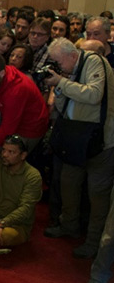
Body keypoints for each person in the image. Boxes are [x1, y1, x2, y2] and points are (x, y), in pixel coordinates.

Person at [42, 38, 114, 260]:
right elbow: (63, 106)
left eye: (58, 62)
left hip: (99, 142)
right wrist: (59, 86)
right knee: (68, 184)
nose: (57, 67)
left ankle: (94, 243)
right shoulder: (70, 70)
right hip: (75, 139)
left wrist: (62, 83)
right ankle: (69, 225)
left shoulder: (94, 61)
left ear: (72, 56)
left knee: (97, 194)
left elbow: (94, 95)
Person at [0, 135, 42, 248]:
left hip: (14, 224)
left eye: (11, 152)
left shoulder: (33, 176)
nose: (4, 155)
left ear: (23, 155)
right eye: (3, 150)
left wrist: (2, 224)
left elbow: (26, 208)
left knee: (5, 236)